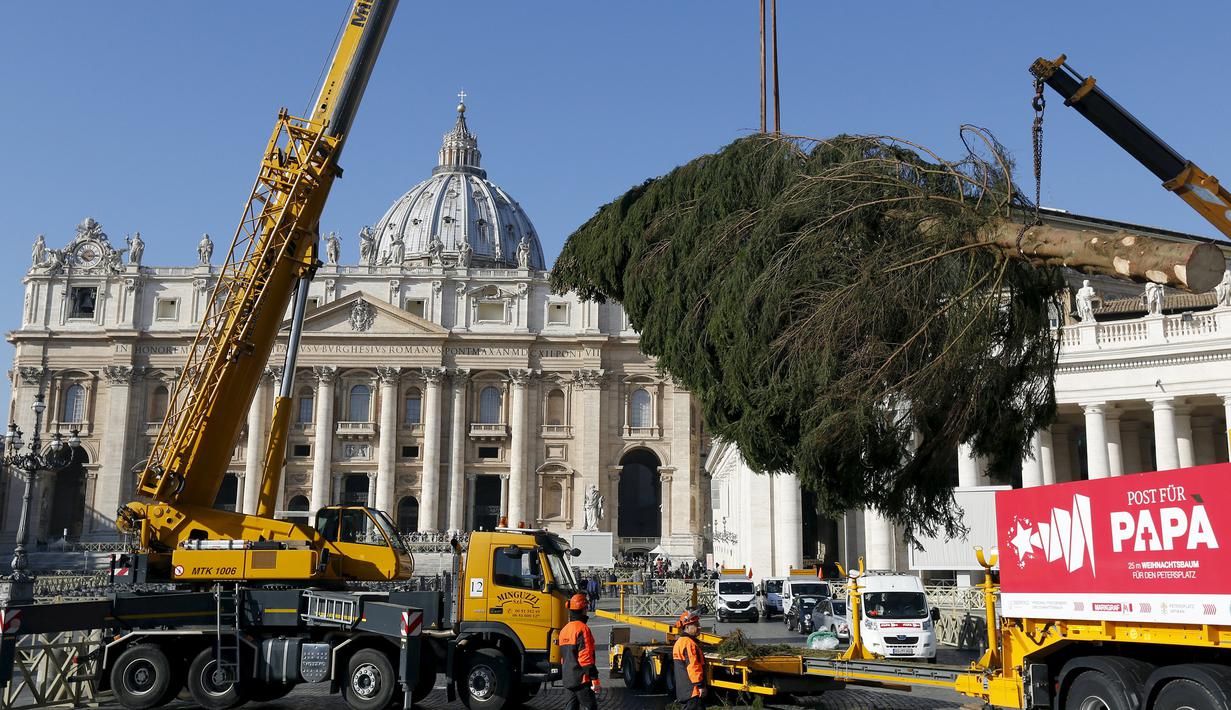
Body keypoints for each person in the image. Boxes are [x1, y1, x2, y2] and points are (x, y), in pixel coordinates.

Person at [560, 593, 600, 710]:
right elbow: (585, 657)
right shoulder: (582, 629)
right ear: (583, 610)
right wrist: (594, 678)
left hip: (568, 678)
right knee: (590, 706)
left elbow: (563, 658)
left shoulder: (564, 630)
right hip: (581, 679)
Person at [672, 610, 707, 708]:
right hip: (693, 691)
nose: (699, 627)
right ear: (687, 627)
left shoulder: (680, 642)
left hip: (685, 691)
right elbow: (693, 666)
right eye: (696, 625)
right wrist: (700, 685)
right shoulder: (689, 644)